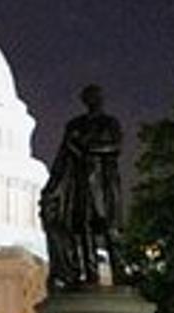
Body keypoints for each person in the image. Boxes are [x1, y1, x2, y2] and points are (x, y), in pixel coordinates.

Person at [39, 84, 124, 289]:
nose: (93, 100)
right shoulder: (74, 125)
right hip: (81, 183)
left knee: (111, 228)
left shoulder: (110, 122)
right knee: (85, 229)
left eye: (96, 96)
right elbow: (65, 152)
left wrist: (87, 149)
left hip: (104, 182)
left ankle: (120, 271)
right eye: (89, 97)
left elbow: (115, 146)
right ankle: (91, 275)